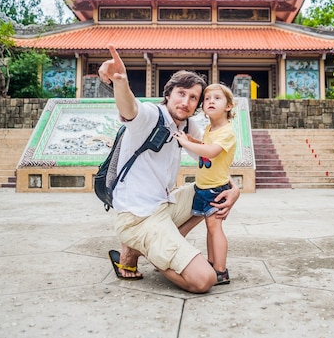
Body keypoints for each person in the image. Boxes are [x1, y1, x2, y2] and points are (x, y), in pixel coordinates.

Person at [97, 45, 240, 293]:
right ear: (169, 94)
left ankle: (142, 250)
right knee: (204, 280)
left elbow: (212, 160)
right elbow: (130, 109)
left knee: (211, 196)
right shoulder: (152, 115)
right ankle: (147, 249)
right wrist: (121, 82)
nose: (186, 102)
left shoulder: (187, 126)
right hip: (139, 217)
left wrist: (234, 188)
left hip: (163, 205)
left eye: (194, 97)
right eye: (181, 93)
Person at [173, 83, 236, 285]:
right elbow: (205, 146)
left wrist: (185, 143)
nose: (210, 101)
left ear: (228, 106)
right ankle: (212, 262)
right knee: (210, 228)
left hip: (216, 189)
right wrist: (194, 140)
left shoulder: (227, 131)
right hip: (204, 187)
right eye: (207, 99)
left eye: (217, 98)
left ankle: (221, 270)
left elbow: (211, 152)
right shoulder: (210, 128)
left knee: (215, 228)